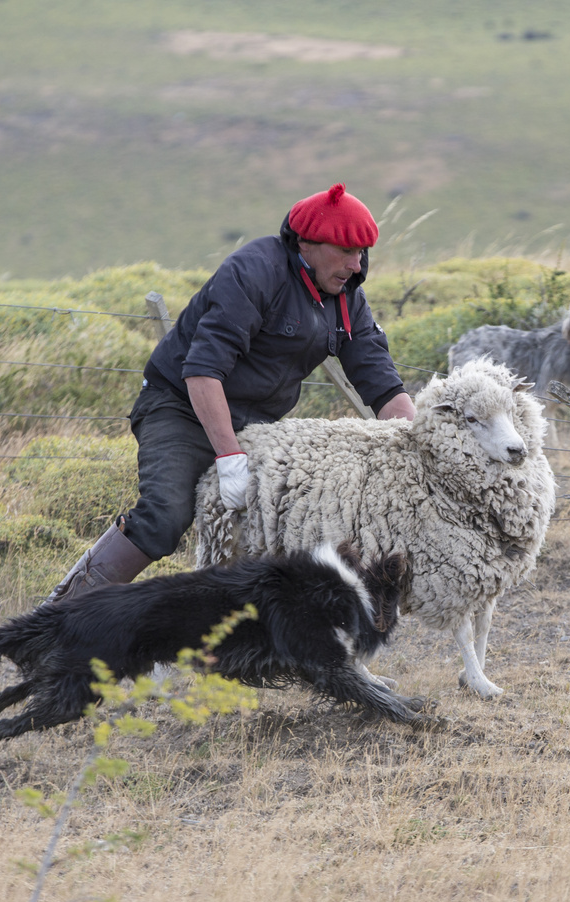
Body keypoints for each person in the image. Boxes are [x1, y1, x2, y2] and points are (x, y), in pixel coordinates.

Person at [46, 183, 416, 602]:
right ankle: (58, 618)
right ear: (308, 244)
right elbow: (203, 370)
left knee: (279, 527)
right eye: (345, 250)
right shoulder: (254, 271)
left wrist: (423, 451)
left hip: (257, 428)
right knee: (165, 517)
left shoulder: (347, 299)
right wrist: (229, 457)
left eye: (363, 252)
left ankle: (245, 650)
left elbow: (383, 384)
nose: (356, 263)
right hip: (180, 406)